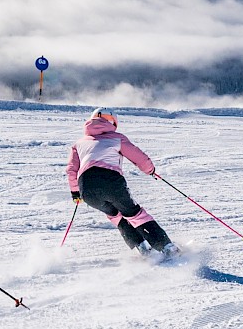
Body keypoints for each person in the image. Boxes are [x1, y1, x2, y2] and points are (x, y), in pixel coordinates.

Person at [66, 109, 173, 254]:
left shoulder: (79, 143)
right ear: (113, 122)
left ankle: (141, 248)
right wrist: (150, 170)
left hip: (86, 188)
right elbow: (138, 156)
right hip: (110, 181)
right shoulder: (116, 137)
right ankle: (167, 248)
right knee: (134, 214)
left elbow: (72, 170)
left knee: (115, 216)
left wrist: (76, 193)